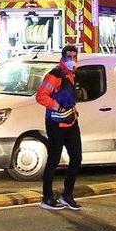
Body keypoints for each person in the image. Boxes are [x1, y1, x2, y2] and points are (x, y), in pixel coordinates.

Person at [33, 44, 84, 211]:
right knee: (54, 160)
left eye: (74, 56)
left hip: (71, 122)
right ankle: (47, 197)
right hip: (55, 124)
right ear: (63, 57)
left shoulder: (72, 74)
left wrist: (72, 112)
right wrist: (57, 107)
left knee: (76, 158)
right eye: (69, 57)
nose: (72, 60)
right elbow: (41, 96)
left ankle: (67, 196)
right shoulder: (54, 75)